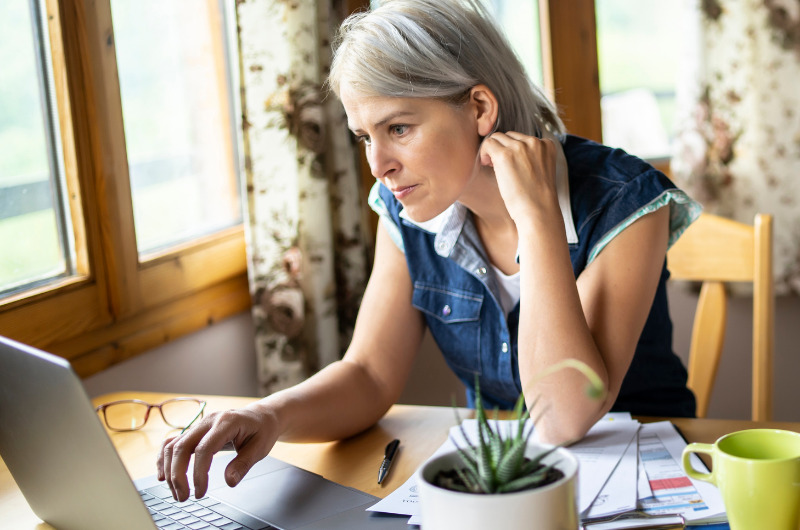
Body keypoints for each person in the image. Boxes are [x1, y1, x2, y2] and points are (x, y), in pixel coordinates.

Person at [157, 0, 701, 502]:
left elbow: (562, 415)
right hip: (498, 481)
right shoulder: (406, 208)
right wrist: (270, 415)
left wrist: (537, 220)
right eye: (365, 136)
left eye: (398, 127)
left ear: (480, 108)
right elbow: (370, 374)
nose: (378, 164)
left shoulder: (626, 201)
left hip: (645, 486)